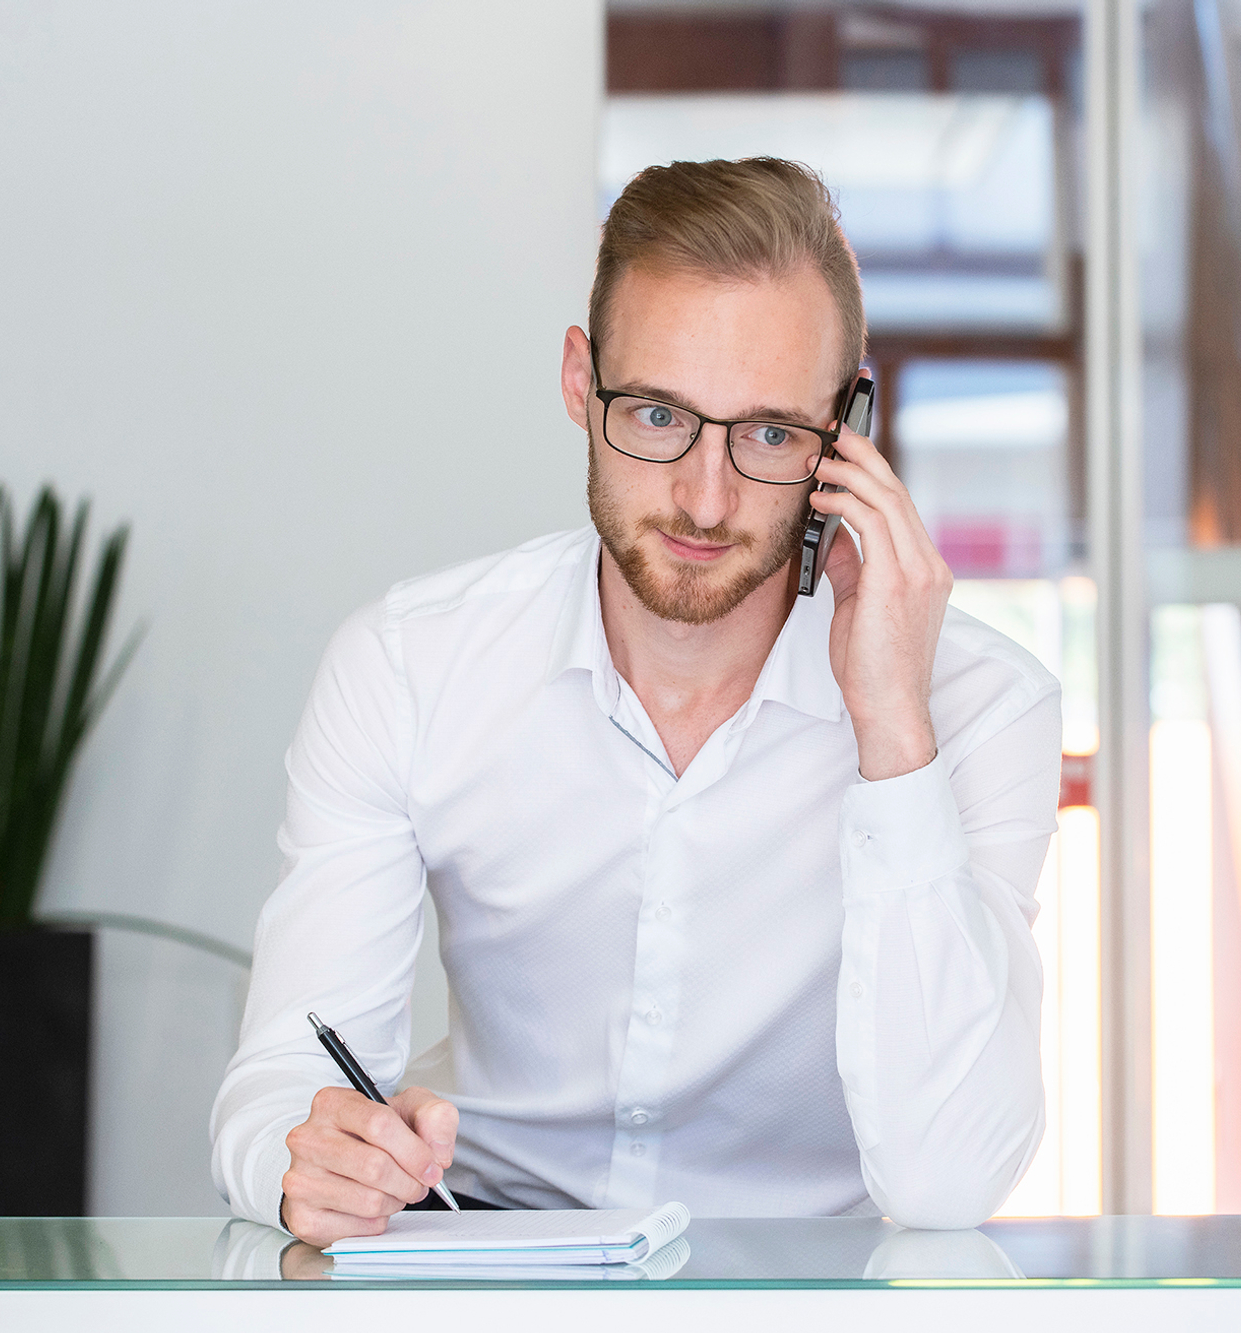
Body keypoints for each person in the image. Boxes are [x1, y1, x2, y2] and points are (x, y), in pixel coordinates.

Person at [210, 157, 1060, 1245]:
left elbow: (949, 1180)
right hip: (480, 1265)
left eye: (766, 433)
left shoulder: (980, 705)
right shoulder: (408, 666)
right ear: (579, 381)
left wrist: (893, 728)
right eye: (657, 414)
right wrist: (306, 1155)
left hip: (808, 1294)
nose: (705, 498)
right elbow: (283, 1075)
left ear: (844, 430)